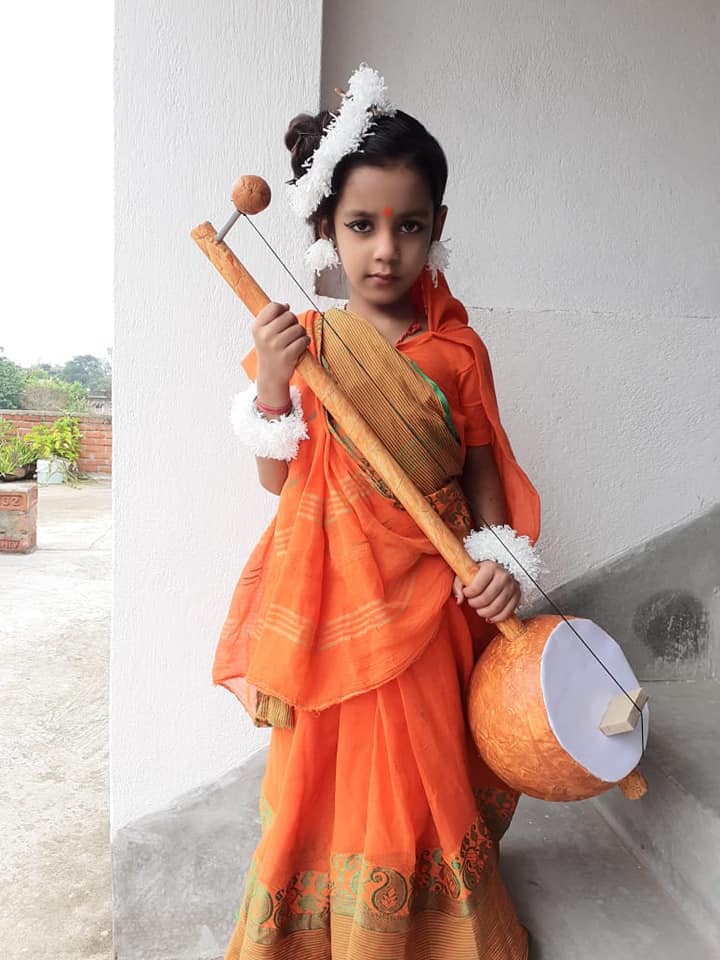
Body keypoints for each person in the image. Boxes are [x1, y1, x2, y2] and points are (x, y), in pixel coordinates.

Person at [213, 65, 541, 960]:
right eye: (361, 225)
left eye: (409, 225)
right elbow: (278, 481)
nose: (386, 249)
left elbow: (482, 467)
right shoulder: (310, 343)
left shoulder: (459, 351)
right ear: (326, 229)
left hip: (431, 594)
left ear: (437, 226)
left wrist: (498, 559)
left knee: (423, 757)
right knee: (328, 770)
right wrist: (273, 379)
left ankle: (426, 930)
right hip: (331, 599)